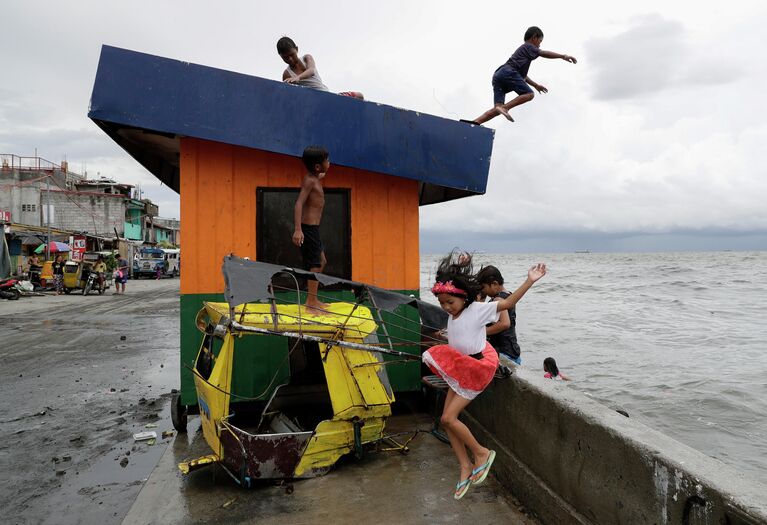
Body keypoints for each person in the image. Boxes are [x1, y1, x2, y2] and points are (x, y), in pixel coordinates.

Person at [422, 251, 546, 499]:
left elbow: (508, 304)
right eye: (442, 303)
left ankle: (481, 453)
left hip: (477, 369)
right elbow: (461, 334)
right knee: (447, 421)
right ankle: (465, 466)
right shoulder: (454, 314)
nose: (446, 307)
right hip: (459, 369)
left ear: (464, 298)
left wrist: (530, 280)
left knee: (448, 418)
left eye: (450, 303)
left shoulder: (478, 309)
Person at [467, 26, 577, 125]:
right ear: (534, 37)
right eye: (540, 41)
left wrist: (536, 85)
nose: (539, 44)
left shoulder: (523, 54)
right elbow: (543, 53)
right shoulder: (529, 46)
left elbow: (522, 76)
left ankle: (475, 122)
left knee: (497, 109)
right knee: (529, 94)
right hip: (507, 72)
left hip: (498, 75)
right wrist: (563, 56)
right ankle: (505, 108)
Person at [292, 146, 331, 311]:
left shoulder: (315, 177)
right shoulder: (310, 181)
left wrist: (323, 171)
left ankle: (313, 299)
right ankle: (311, 302)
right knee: (315, 264)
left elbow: (321, 174)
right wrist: (297, 229)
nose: (329, 162)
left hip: (314, 229)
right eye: (326, 160)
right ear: (317, 166)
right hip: (307, 229)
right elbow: (299, 203)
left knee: (322, 261)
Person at [277, 37, 364, 99]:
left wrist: (298, 77)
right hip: (312, 101)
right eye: (285, 57)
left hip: (326, 95)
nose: (290, 59)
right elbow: (289, 95)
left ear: (297, 49)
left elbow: (311, 70)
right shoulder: (287, 74)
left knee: (359, 95)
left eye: (292, 55)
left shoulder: (306, 58)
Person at [477, 265, 522, 365]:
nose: (483, 290)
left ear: (494, 284)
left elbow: (505, 323)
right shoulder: (508, 295)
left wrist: (482, 331)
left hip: (503, 351)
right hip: (511, 349)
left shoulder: (498, 299)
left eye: (483, 287)